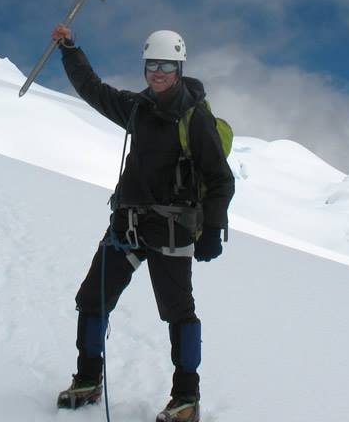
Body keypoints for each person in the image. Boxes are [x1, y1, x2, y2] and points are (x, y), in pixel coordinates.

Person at [53, 24, 235, 422]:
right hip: (127, 225)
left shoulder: (194, 118)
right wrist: (70, 49)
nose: (158, 71)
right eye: (152, 63)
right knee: (91, 299)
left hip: (172, 228)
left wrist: (213, 230)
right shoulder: (138, 107)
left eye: (167, 65)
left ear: (180, 67)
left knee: (177, 312)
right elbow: (94, 90)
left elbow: (221, 179)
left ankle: (186, 397)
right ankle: (87, 378)